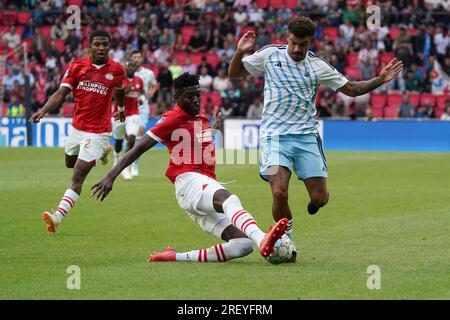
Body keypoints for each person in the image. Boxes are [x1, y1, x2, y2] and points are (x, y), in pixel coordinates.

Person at [228, 16, 403, 247]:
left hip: (306, 138)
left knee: (319, 199)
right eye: (293, 42)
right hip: (274, 137)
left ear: (311, 41)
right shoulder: (270, 55)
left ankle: (315, 203)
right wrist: (240, 51)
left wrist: (380, 79)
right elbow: (235, 73)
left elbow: (351, 89)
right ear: (287, 38)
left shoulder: (318, 66)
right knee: (279, 192)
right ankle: (285, 238)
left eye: (303, 44)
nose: (297, 48)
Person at [91, 73, 289, 263]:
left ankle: (174, 256)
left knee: (243, 245)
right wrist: (111, 176)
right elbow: (138, 148)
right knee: (230, 199)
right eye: (190, 96)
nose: (196, 100)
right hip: (189, 182)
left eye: (198, 95)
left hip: (201, 187)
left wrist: (214, 130)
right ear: (176, 97)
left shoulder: (200, 119)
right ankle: (262, 237)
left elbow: (198, 145)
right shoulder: (171, 119)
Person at [29, 30, 126, 233]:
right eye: (97, 44)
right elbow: (61, 92)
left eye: (105, 44)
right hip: (77, 128)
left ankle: (57, 217)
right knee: (69, 163)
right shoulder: (77, 66)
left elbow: (119, 90)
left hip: (99, 131)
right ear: (90, 45)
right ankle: (103, 152)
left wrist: (121, 109)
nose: (101, 48)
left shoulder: (117, 69)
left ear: (109, 46)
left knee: (77, 176)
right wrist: (44, 111)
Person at [112, 60, 144, 180]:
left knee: (131, 138)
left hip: (134, 114)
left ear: (136, 68)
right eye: (129, 65)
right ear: (125, 67)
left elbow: (141, 93)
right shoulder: (120, 80)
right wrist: (126, 90)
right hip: (118, 114)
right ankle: (116, 158)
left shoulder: (139, 81)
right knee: (119, 141)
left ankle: (125, 167)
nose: (131, 68)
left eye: (133, 66)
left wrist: (141, 99)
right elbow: (113, 97)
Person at [129, 49, 158, 177]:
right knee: (129, 137)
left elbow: (154, 84)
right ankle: (126, 163)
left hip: (142, 108)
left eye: (138, 57)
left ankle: (134, 164)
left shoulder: (148, 73)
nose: (136, 59)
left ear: (142, 58)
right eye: (134, 57)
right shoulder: (127, 73)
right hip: (129, 107)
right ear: (131, 59)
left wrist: (151, 92)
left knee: (139, 134)